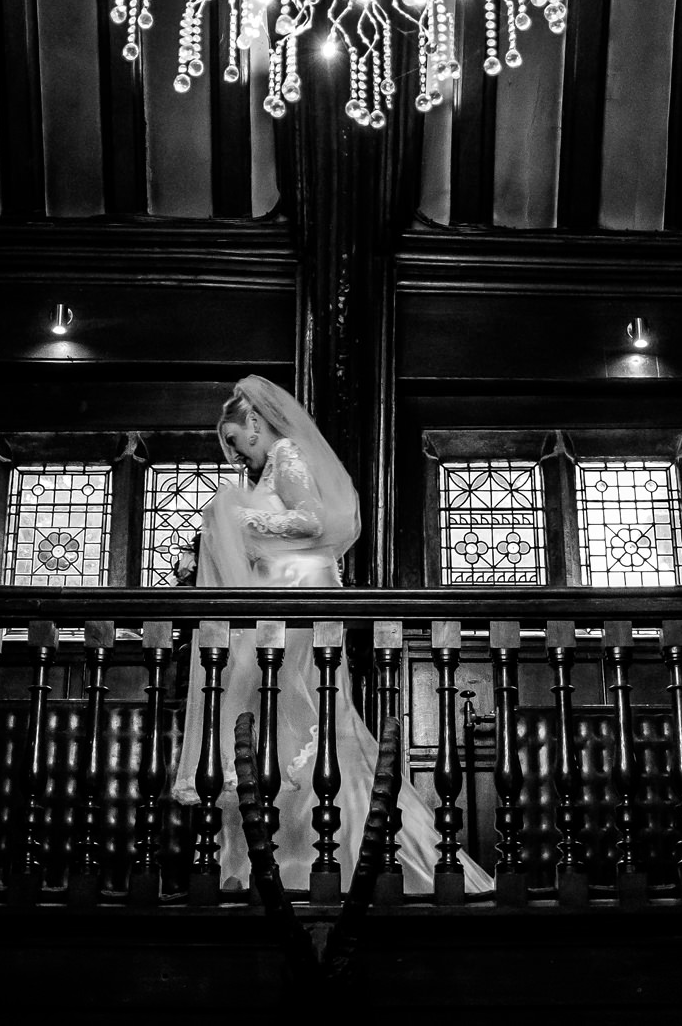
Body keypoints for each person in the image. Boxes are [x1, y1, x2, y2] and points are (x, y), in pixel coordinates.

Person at [170, 375, 493, 897]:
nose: (234, 455)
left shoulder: (289, 453)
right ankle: (275, 858)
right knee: (274, 711)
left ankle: (306, 859)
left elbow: (312, 520)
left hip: (297, 593)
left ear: (255, 422)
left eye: (236, 440)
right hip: (278, 591)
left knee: (297, 712)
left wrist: (233, 518)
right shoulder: (268, 468)